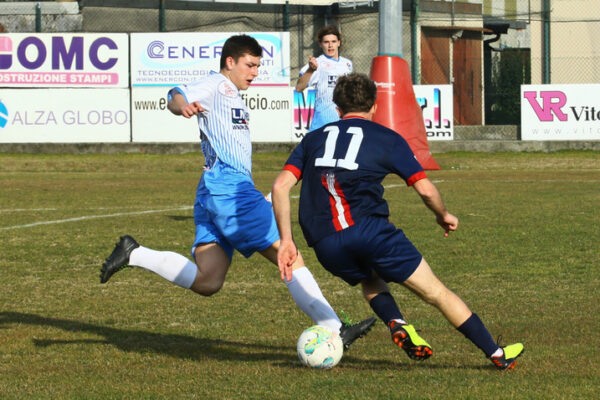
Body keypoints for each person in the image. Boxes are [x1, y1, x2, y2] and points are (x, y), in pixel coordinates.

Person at [100, 35, 375, 349]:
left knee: (208, 281)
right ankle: (333, 327)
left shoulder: (232, 93)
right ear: (230, 62)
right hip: (230, 191)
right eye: (250, 65)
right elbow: (174, 95)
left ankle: (134, 252)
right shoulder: (215, 85)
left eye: (258, 66)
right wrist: (182, 106)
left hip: (214, 191)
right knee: (288, 254)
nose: (255, 72)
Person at [272, 73, 524, 370]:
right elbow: (426, 189)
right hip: (371, 233)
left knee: (370, 279)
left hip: (326, 243)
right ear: (375, 107)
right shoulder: (387, 139)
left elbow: (279, 187)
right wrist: (443, 215)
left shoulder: (313, 139)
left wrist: (287, 242)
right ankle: (496, 354)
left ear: (337, 110)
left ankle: (396, 322)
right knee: (436, 293)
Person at [295, 24, 352, 131]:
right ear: (320, 44)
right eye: (326, 42)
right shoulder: (317, 63)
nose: (330, 45)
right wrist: (311, 70)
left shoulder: (347, 64)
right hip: (322, 122)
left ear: (339, 43)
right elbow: (299, 88)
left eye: (333, 41)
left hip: (343, 121)